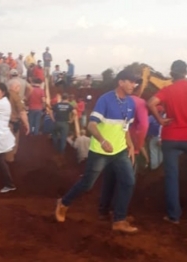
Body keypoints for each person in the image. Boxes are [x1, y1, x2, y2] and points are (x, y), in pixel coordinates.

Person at [55, 70, 138, 233]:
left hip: (119, 151)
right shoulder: (105, 100)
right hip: (100, 150)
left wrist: (131, 145)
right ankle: (63, 203)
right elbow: (91, 125)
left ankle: (119, 220)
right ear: (121, 82)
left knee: (128, 181)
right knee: (87, 183)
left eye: (135, 82)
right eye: (130, 81)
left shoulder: (130, 103)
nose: (133, 85)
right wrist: (103, 141)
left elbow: (125, 127)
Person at [147, 60, 187, 224]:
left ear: (172, 74)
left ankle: (174, 216)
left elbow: (150, 103)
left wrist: (160, 120)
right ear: (186, 73)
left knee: (172, 177)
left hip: (170, 137)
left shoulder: (167, 90)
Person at [5, 79, 30, 163]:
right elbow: (22, 112)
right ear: (16, 87)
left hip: (3, 122)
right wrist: (26, 124)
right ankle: (9, 161)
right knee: (12, 143)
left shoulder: (4, 95)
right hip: (12, 123)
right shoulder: (16, 97)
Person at [147, 106, 164, 170]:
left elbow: (145, 123)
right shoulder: (164, 117)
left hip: (153, 137)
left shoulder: (152, 117)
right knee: (161, 154)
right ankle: (160, 170)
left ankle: (154, 169)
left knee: (154, 154)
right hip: (163, 138)